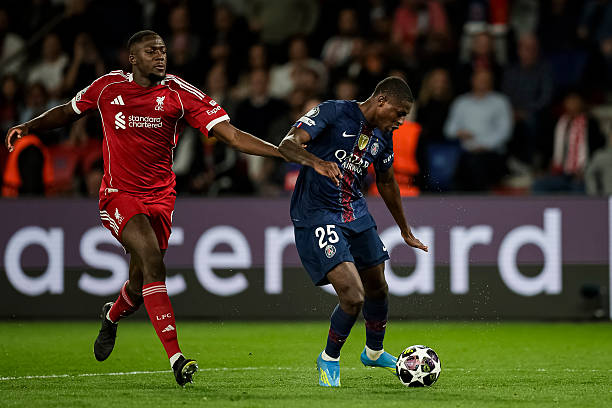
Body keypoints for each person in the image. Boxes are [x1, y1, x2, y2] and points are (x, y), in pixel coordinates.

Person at [5, 30, 282, 386]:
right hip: (119, 195)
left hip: (161, 199)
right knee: (153, 261)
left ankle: (112, 316)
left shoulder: (179, 93)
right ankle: (177, 359)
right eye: (152, 51)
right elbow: (67, 112)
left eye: (163, 50)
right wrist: (29, 126)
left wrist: (280, 152)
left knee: (138, 287)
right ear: (133, 58)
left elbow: (231, 135)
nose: (160, 56)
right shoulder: (107, 87)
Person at [278, 76, 428, 387]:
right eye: (399, 113)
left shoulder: (383, 135)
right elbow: (287, 144)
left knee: (378, 287)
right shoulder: (334, 112)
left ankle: (374, 352)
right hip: (318, 214)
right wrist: (315, 162)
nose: (401, 121)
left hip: (355, 212)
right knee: (353, 296)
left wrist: (405, 229)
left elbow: (386, 181)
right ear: (381, 100)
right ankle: (329, 358)